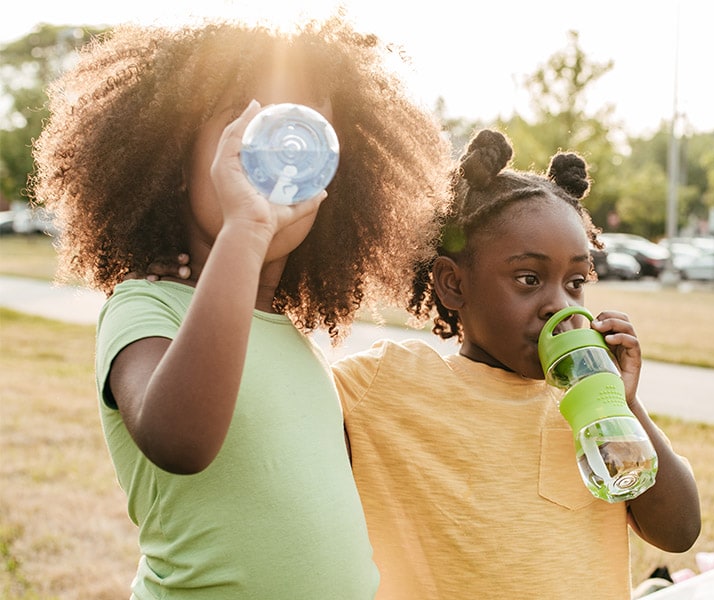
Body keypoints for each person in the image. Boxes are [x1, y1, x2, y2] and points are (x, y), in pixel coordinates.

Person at [31, 17, 450, 599]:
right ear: (178, 166)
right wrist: (245, 231)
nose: (277, 160)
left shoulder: (293, 338)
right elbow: (181, 442)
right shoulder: (146, 306)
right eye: (248, 129)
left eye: (303, 136)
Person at [330, 129, 702, 598]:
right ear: (453, 284)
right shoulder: (385, 383)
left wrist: (623, 405)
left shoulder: (595, 407)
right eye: (529, 279)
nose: (558, 304)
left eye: (575, 282)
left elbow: (679, 530)